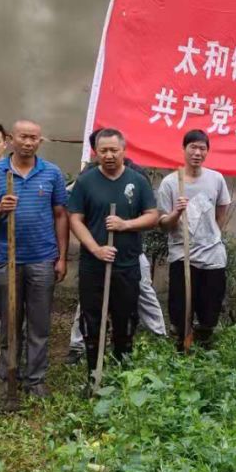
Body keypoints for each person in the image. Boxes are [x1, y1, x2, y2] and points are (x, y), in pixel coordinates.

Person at [0, 120, 68, 400]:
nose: (28, 142)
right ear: (10, 139)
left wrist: (62, 257)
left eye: (34, 138)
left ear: (40, 141)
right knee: (9, 322)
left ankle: (36, 379)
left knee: (39, 324)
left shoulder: (51, 173)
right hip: (6, 259)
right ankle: (9, 376)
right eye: (23, 137)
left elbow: (60, 215)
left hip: (42, 259)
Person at [66, 129, 168, 364]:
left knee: (126, 318)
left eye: (114, 150)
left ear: (124, 150)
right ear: (96, 152)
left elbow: (152, 216)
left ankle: (122, 370)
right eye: (104, 151)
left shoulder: (137, 181)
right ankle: (94, 372)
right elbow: (75, 219)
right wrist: (95, 249)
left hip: (127, 263)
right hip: (94, 265)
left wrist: (125, 224)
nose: (109, 155)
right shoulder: (85, 181)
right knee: (91, 319)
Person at [157, 130, 232, 348]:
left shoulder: (216, 179)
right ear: (184, 149)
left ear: (207, 151)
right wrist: (176, 213)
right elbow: (163, 224)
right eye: (193, 147)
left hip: (212, 255)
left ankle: (204, 343)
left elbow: (222, 210)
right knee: (181, 309)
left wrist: (213, 234)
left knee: (210, 309)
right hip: (183, 254)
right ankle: (182, 346)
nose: (197, 152)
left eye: (202, 148)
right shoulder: (171, 183)